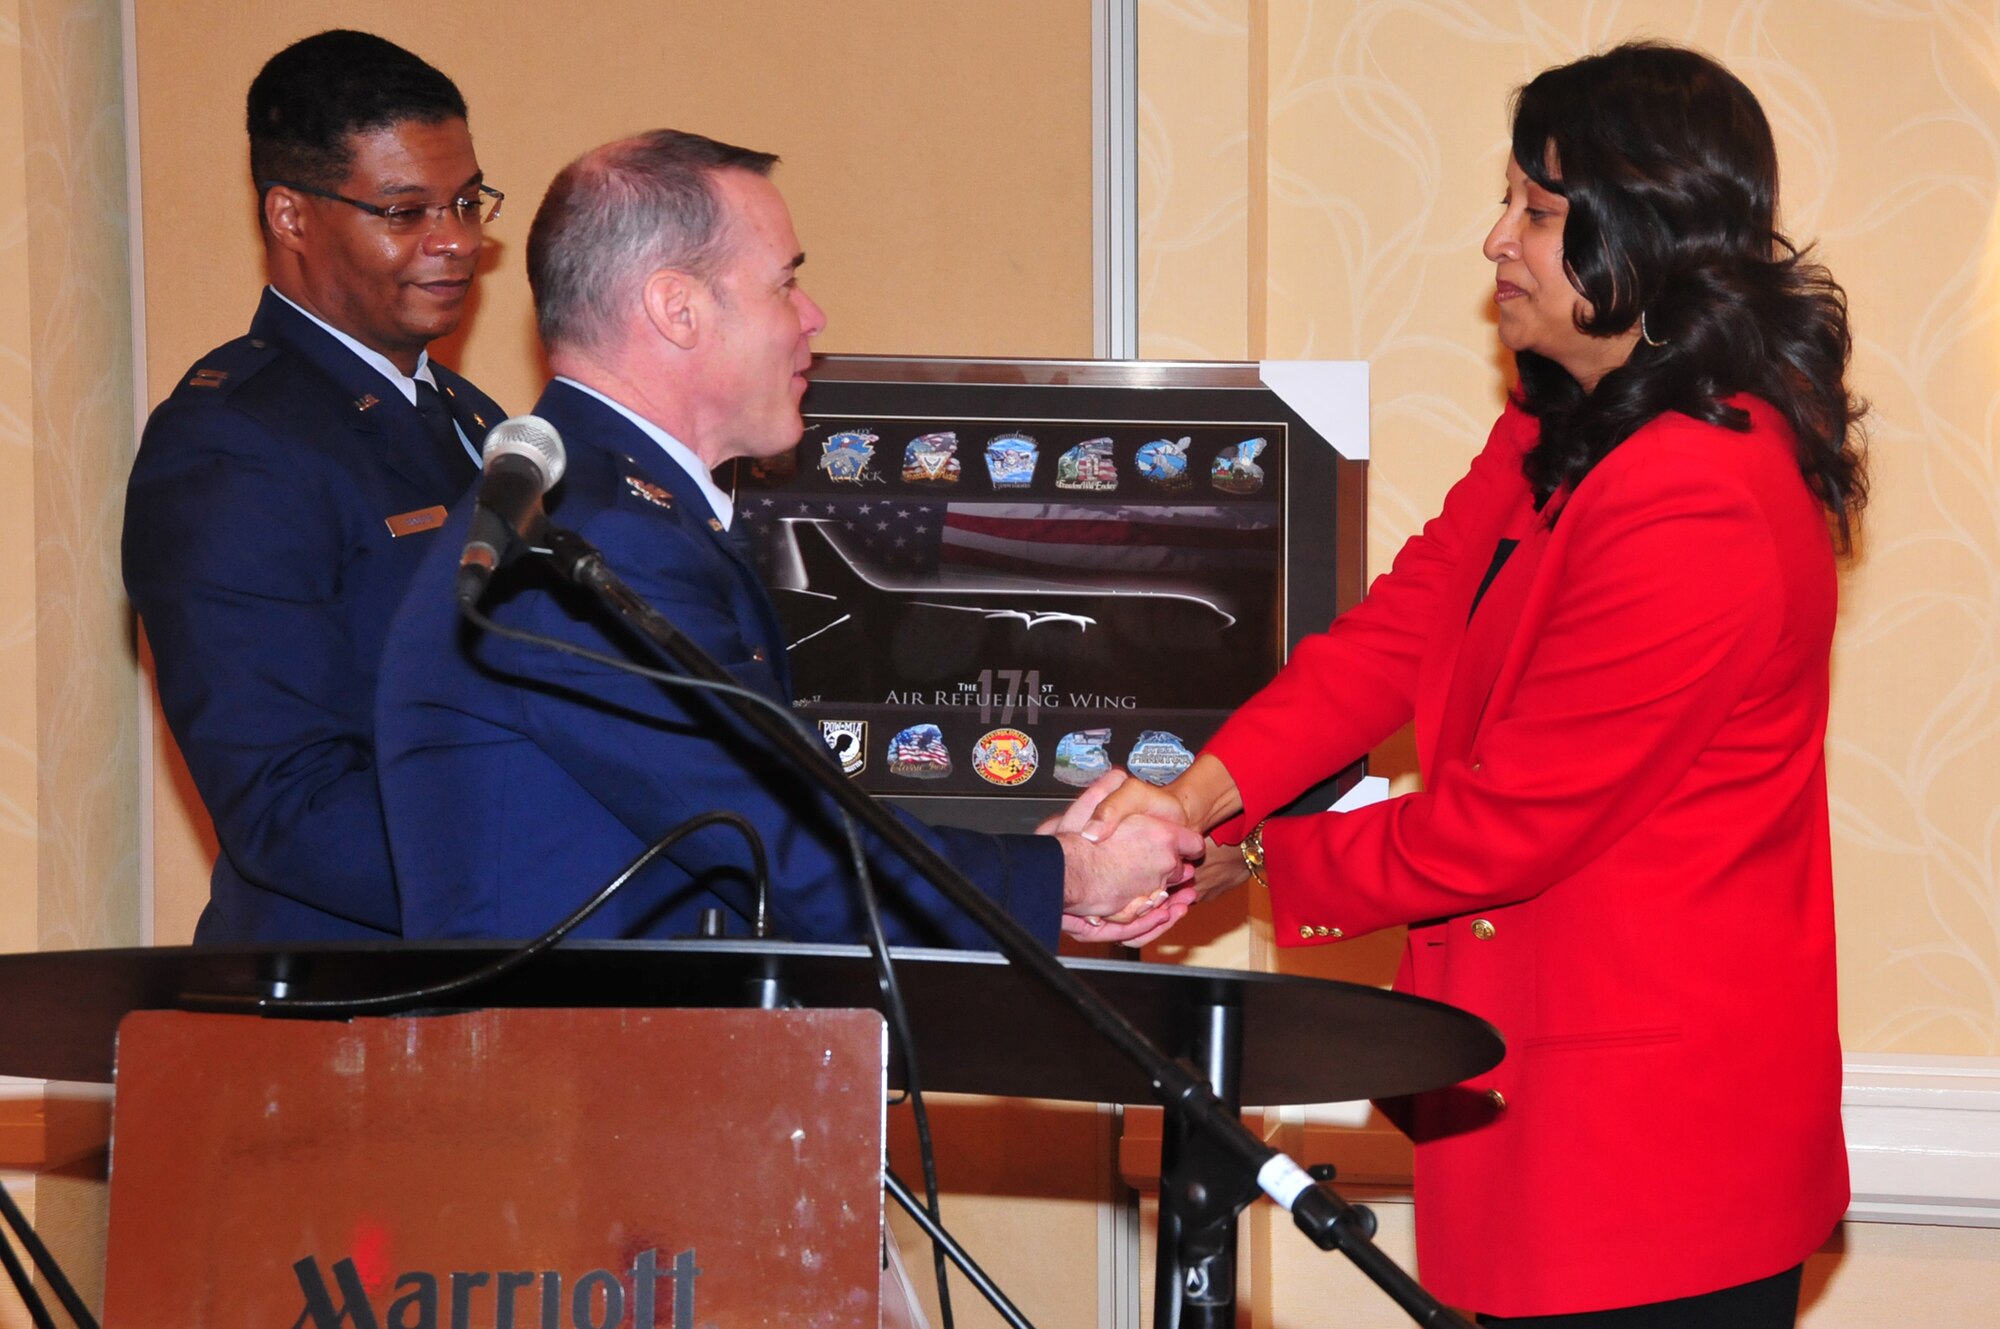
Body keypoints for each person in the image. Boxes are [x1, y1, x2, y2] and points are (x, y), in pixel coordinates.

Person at [1084, 42, 1865, 1327]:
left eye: (1539, 213)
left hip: (1649, 1166)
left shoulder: (1700, 491)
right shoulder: (1565, 421)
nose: (1495, 242)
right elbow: (1393, 635)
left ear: (1645, 236)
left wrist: (1246, 863)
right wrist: (1190, 801)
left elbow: (1512, 822)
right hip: (1540, 1115)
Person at [374, 129, 1199, 948]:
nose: (813, 317)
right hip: (580, 1071)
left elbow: (777, 830)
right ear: (678, 308)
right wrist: (1071, 873)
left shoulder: (615, 513)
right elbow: (789, 847)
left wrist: (1041, 876)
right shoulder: (594, 542)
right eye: (784, 283)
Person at [123, 31, 506, 942]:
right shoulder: (230, 441)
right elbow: (287, 804)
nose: (455, 241)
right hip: (350, 1008)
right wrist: (543, 887)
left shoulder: (473, 415)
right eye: (405, 211)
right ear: (290, 216)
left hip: (498, 994)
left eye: (465, 201)